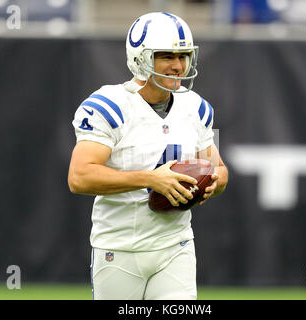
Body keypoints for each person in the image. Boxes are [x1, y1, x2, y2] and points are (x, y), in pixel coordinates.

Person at [68, 12, 228, 300]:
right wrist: (152, 179)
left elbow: (218, 167)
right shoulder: (110, 106)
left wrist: (213, 184)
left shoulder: (197, 108)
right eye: (167, 56)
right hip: (118, 248)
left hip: (174, 245)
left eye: (183, 56)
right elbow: (79, 176)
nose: (178, 66)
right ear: (140, 58)